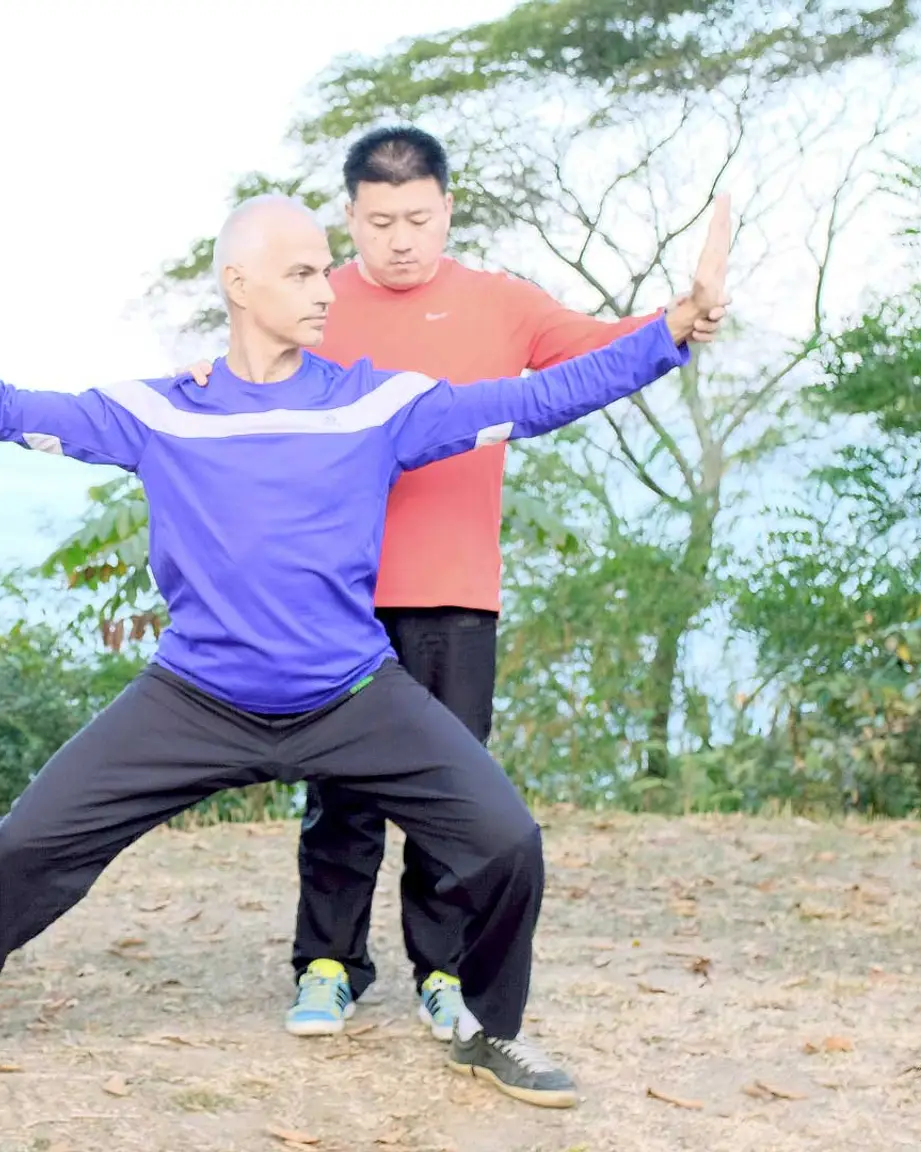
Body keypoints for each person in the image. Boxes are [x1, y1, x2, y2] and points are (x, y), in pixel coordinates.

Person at [0, 191, 731, 1108]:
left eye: (326, 270)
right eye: (302, 273)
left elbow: (540, 397)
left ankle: (489, 1026)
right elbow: (13, 408)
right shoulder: (164, 411)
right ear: (239, 284)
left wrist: (669, 332)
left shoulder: (375, 405)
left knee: (507, 840)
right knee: (25, 845)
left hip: (352, 696)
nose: (326, 290)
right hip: (195, 698)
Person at [186, 126, 721, 1042]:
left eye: (418, 219)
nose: (400, 240)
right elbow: (240, 378)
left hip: (456, 592)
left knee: (448, 792)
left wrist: (679, 320)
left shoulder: (501, 302)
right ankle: (327, 965)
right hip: (338, 596)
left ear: (448, 209)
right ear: (348, 216)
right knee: (341, 793)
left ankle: (444, 973)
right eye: (379, 222)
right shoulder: (316, 300)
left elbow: (602, 352)